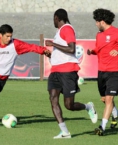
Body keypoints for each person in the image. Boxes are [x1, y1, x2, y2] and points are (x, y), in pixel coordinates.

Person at [44, 8, 98, 139]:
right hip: (55, 71)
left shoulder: (67, 29)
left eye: (54, 19)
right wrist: (51, 54)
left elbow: (71, 49)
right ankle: (65, 132)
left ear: (56, 18)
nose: (53, 21)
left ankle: (88, 107)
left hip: (68, 72)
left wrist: (53, 44)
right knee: (53, 99)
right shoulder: (59, 32)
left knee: (69, 105)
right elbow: (61, 52)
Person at [88, 8, 118, 136]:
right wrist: (92, 51)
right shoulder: (99, 35)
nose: (96, 24)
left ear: (102, 21)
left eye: (97, 21)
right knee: (104, 99)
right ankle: (116, 113)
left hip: (115, 71)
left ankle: (102, 127)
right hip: (101, 71)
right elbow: (99, 48)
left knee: (109, 98)